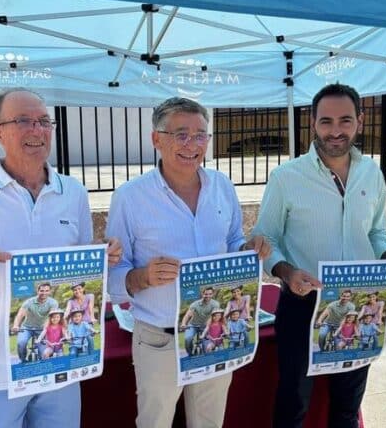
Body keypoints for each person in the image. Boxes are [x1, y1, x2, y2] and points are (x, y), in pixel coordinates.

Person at [0, 87, 122, 428]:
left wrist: (101, 255)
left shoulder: (74, 191)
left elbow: (80, 268)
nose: (37, 130)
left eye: (43, 121)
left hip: (60, 365)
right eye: (23, 121)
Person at [252, 83, 386, 428]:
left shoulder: (372, 173)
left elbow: (376, 231)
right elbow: (265, 237)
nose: (335, 130)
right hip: (302, 304)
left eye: (345, 120)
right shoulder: (286, 177)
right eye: (326, 121)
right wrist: (285, 271)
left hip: (359, 305)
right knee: (294, 402)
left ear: (360, 121)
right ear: (313, 123)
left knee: (347, 404)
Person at [106, 96, 271, 428]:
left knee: (209, 422)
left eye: (200, 135)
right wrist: (143, 277)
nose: (192, 145)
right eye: (181, 134)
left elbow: (233, 241)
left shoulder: (222, 186)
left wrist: (247, 249)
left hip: (216, 330)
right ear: (156, 139)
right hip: (159, 337)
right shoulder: (130, 197)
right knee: (155, 423)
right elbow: (111, 278)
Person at [12, 282, 58, 362]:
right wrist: (16, 325)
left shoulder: (53, 303)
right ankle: (23, 360)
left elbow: (51, 317)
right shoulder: (29, 302)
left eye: (46, 291)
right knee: (21, 343)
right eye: (42, 291)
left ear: (50, 291)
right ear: (38, 291)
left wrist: (46, 327)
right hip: (27, 327)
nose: (44, 293)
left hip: (42, 329)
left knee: (43, 354)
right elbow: (20, 315)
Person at [179, 287, 220, 355]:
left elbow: (213, 316)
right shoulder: (195, 304)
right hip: (193, 325)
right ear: (202, 294)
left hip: (206, 326)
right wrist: (183, 324)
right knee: (188, 339)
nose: (208, 296)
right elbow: (187, 315)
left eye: (210, 294)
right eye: (206, 294)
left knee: (206, 346)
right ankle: (190, 354)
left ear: (213, 294)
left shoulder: (215, 304)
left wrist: (209, 325)